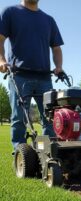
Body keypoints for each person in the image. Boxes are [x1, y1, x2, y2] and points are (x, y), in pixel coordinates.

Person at [0, 0, 64, 153]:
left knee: (50, 119)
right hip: (19, 75)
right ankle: (20, 154)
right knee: (19, 119)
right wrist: (1, 60)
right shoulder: (10, 12)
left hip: (45, 78)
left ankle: (46, 151)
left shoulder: (48, 20)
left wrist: (59, 67)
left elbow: (56, 48)